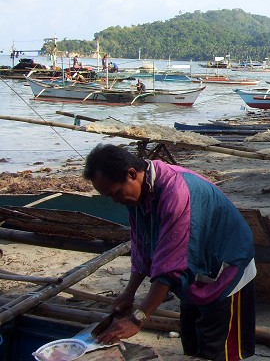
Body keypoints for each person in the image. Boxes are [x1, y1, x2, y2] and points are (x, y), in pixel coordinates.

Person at [83, 144, 256, 361]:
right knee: (192, 344)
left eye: (116, 193)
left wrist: (138, 319)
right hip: (193, 273)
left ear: (131, 173)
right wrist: (130, 293)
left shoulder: (176, 192)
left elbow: (171, 265)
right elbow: (142, 247)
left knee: (217, 350)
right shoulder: (136, 195)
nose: (116, 201)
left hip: (227, 268)